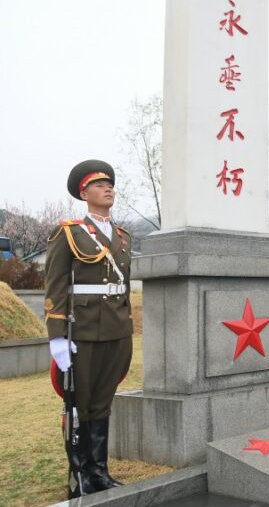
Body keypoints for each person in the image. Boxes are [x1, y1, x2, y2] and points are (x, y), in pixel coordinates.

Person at [45, 160, 133, 498]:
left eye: (110, 184)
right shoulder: (69, 232)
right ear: (84, 193)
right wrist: (57, 337)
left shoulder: (123, 236)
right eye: (99, 185)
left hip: (116, 330)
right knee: (79, 403)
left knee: (103, 402)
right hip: (81, 330)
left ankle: (99, 471)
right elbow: (54, 285)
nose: (108, 188)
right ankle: (78, 473)